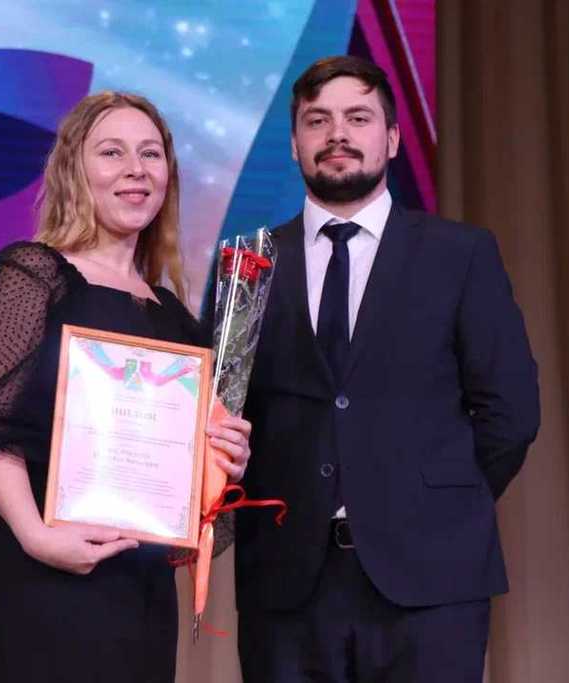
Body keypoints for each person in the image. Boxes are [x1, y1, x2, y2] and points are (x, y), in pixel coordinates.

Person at [230, 56, 540, 682]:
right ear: (294, 144)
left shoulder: (461, 254)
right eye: (317, 120)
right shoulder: (248, 264)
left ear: (393, 138)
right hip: (287, 587)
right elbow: (228, 414)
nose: (337, 134)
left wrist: (434, 503)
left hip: (432, 583)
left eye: (358, 118)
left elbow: (511, 413)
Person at [0, 91, 252, 683]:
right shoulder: (31, 274)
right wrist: (37, 536)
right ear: (73, 170)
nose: (136, 170)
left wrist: (223, 463)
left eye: (150, 154)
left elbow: (187, 482)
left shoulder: (174, 318)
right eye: (112, 152)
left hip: (138, 589)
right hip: (40, 575)